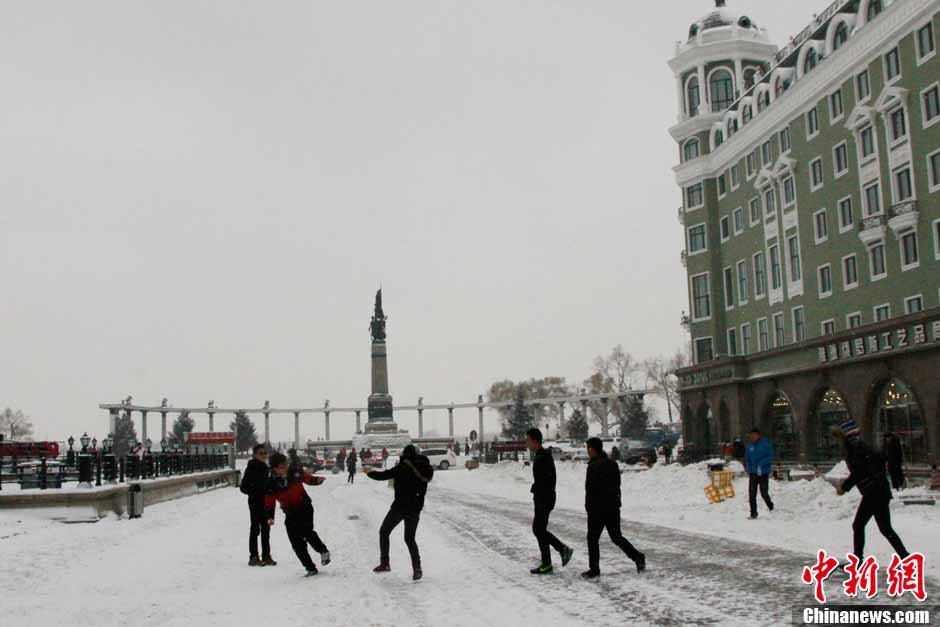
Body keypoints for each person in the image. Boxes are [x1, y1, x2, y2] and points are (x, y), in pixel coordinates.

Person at [833, 419, 910, 561]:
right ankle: (905, 558)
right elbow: (876, 461)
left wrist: (844, 487)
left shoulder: (854, 447)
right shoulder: (861, 445)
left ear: (844, 435)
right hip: (879, 490)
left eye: (838, 436)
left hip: (873, 492)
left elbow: (859, 471)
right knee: (885, 529)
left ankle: (858, 561)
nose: (837, 440)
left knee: (858, 525)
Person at [367, 444, 434, 580]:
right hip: (415, 507)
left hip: (400, 507)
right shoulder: (424, 467)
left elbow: (384, 475)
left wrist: (369, 472)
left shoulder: (403, 466)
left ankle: (385, 563)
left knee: (384, 532)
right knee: (410, 538)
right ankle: (417, 568)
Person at [582, 438, 645, 579]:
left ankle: (594, 569)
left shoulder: (593, 467)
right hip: (612, 507)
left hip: (597, 509)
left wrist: (589, 507)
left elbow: (590, 490)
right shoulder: (612, 464)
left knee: (592, 538)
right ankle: (637, 557)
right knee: (616, 537)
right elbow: (617, 484)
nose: (587, 451)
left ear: (592, 449)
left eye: (588, 448)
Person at [264, 452, 331, 577]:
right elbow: (269, 501)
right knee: (295, 541)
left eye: (285, 465)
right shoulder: (271, 483)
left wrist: (317, 480)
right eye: (281, 467)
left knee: (306, 531)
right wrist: (269, 516)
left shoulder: (295, 472)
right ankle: (310, 567)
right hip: (290, 512)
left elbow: (307, 478)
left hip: (304, 507)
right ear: (274, 469)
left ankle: (323, 551)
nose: (284, 468)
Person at [526, 428, 573, 575]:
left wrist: (536, 488)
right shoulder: (542, 455)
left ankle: (561, 550)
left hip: (544, 499)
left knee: (538, 529)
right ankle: (548, 562)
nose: (526, 444)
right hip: (544, 497)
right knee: (539, 529)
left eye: (528, 440)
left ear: (535, 441)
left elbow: (546, 480)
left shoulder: (542, 457)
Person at [240, 444, 276, 566]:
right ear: (255, 455)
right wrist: (256, 491)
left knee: (266, 529)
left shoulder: (267, 468)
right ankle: (254, 556)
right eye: (261, 453)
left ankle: (266, 555)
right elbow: (243, 487)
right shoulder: (251, 468)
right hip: (255, 502)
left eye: (265, 453)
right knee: (255, 529)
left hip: (266, 502)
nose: (264, 455)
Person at [745, 428, 774, 519]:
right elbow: (747, 458)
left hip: (763, 472)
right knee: (752, 493)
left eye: (754, 435)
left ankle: (770, 506)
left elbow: (770, 456)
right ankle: (753, 513)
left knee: (763, 492)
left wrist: (760, 464)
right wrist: (749, 468)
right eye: (751, 435)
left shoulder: (765, 444)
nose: (752, 437)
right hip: (753, 473)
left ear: (759, 435)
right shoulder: (749, 446)